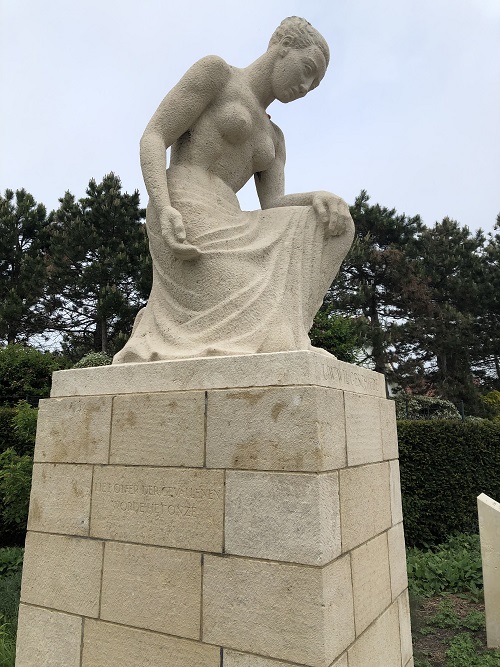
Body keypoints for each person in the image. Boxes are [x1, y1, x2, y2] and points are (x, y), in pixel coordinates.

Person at [113, 16, 354, 363]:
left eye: (314, 85)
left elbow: (273, 204)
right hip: (186, 204)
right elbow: (155, 136)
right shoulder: (218, 74)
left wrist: (318, 196)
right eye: (307, 69)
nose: (306, 86)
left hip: (233, 217)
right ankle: (277, 338)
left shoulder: (275, 139)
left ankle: (292, 333)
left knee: (337, 227)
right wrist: (163, 206)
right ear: (283, 47)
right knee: (249, 296)